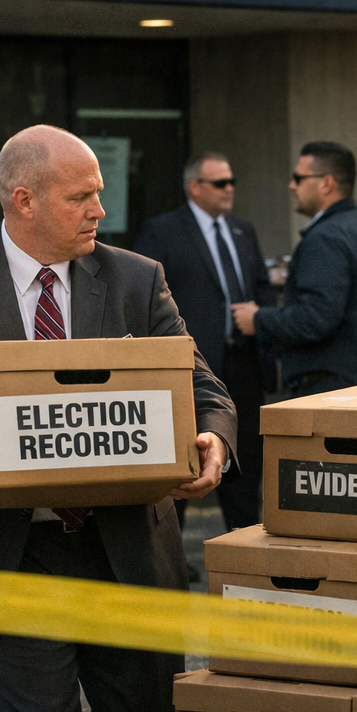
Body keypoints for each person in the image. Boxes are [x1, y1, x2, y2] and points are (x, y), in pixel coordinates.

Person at [0, 124, 235, 712]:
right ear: (23, 200)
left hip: (128, 551)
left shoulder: (137, 280)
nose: (99, 212)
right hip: (13, 552)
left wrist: (213, 441)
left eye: (99, 196)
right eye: (82, 197)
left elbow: (204, 388)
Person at [132, 151, 275, 531]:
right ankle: (172, 550)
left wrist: (259, 317)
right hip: (187, 369)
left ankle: (242, 551)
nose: (229, 190)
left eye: (232, 182)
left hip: (241, 364)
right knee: (182, 463)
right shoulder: (162, 230)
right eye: (220, 183)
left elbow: (261, 286)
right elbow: (144, 301)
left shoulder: (243, 231)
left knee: (242, 466)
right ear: (194, 187)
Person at [231, 141, 357, 395]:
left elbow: (316, 318)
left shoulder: (327, 238)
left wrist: (259, 320)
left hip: (341, 396)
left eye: (298, 178)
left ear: (326, 183)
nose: (292, 186)